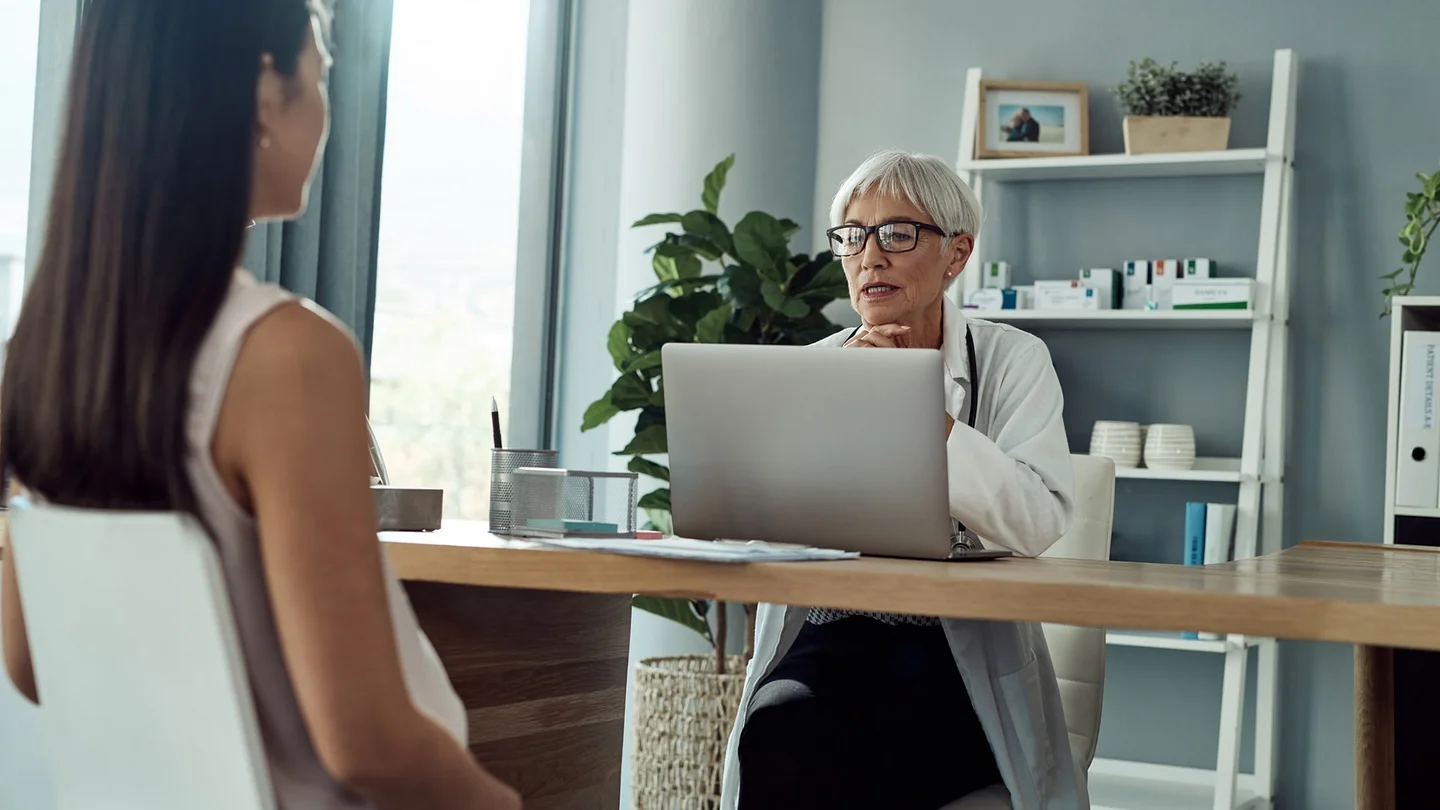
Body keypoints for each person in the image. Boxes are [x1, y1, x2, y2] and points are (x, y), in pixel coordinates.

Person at [0, 2, 520, 809]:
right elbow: (368, 746)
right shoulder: (285, 356)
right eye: (319, 74)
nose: (324, 107)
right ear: (261, 94)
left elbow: (31, 664)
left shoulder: (50, 352)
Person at [720, 150, 1084, 810]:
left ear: (957, 253)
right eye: (852, 236)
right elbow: (769, 521)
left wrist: (923, 417)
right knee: (780, 725)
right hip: (831, 638)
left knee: (857, 756)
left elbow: (1037, 520)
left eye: (897, 233)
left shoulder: (1012, 361)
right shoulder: (819, 368)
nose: (870, 256)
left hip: (951, 649)